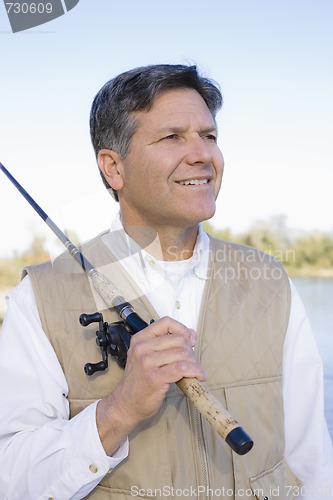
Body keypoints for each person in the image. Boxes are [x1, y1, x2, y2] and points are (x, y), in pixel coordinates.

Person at [0, 64, 332, 500]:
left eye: (209, 135)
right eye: (172, 136)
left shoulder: (271, 280)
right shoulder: (38, 298)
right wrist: (117, 411)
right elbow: (11, 479)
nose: (202, 154)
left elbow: (312, 461)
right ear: (113, 168)